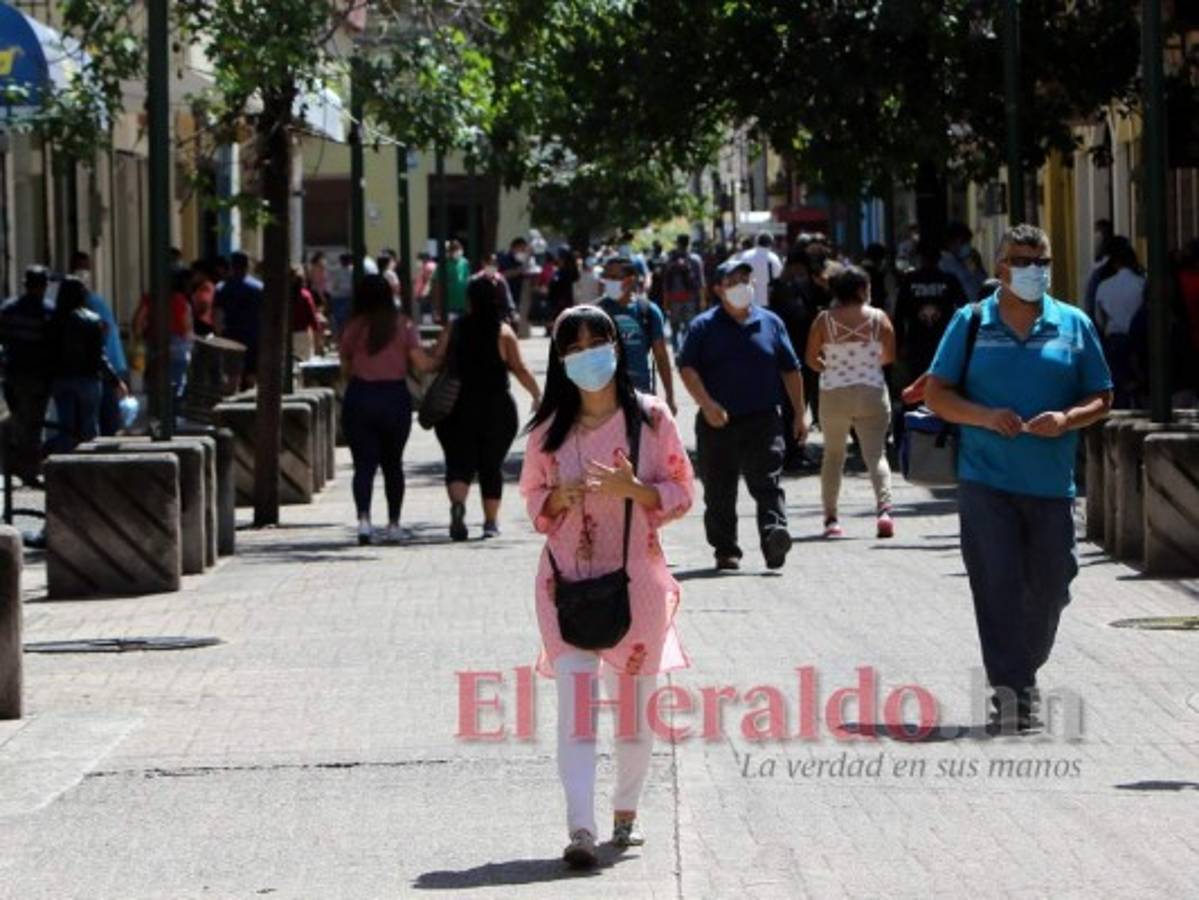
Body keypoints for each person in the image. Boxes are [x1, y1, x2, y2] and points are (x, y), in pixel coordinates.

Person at [518, 304, 694, 869]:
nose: (587, 354)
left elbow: (683, 491)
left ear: (618, 348)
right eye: (574, 346)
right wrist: (558, 499)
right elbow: (533, 506)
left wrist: (636, 489)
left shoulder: (651, 419)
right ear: (559, 359)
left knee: (634, 715)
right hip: (564, 586)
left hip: (636, 584)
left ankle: (624, 814)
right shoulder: (547, 433)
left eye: (598, 340)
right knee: (575, 713)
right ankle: (580, 828)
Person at [925, 224, 1113, 730]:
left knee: (1054, 582)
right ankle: (1014, 693)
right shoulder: (970, 322)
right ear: (1000, 268)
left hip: (1051, 483)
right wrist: (984, 417)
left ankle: (1021, 667)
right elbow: (936, 394)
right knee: (997, 585)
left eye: (1041, 260)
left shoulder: (1073, 324)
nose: (1034, 270)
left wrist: (1068, 419)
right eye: (1022, 260)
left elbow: (1102, 395)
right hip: (985, 481)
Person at [677, 259, 807, 571]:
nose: (742, 286)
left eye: (746, 279)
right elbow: (687, 368)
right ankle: (726, 549)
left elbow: (791, 370)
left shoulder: (771, 322)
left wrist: (800, 414)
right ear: (718, 289)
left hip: (764, 418)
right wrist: (706, 404)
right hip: (717, 421)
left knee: (768, 482)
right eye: (733, 281)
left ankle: (774, 536)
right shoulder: (703, 326)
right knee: (720, 488)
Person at [435, 276, 541, 541]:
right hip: (496, 407)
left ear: (469, 299)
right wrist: (537, 393)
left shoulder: (455, 327)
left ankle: (458, 505)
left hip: (458, 406)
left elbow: (434, 361)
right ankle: (490, 523)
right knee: (491, 465)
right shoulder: (502, 331)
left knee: (458, 461)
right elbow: (519, 368)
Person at [340, 274, 441, 545]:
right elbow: (422, 365)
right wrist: (441, 354)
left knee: (363, 466)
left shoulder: (354, 327)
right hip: (394, 398)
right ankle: (394, 524)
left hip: (360, 397)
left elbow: (345, 368)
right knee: (393, 464)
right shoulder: (403, 325)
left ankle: (363, 521)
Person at [804, 265, 897, 538]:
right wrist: (866, 363)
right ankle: (884, 510)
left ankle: (832, 520)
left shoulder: (824, 320)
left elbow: (810, 359)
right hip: (871, 391)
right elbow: (889, 355)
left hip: (834, 393)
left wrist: (829, 366)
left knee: (833, 456)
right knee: (876, 454)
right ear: (861, 289)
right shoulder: (879, 318)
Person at [46, 277, 124, 453]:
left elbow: (48, 353)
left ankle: (65, 466)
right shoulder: (92, 320)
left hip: (61, 380)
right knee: (89, 427)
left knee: (66, 427)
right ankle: (87, 466)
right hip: (87, 381)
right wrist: (115, 380)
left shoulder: (52, 321)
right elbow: (99, 357)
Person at [597, 258, 676, 413]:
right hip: (603, 397)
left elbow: (660, 355)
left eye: (614, 277)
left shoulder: (648, 311)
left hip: (641, 394)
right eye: (606, 277)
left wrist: (670, 396)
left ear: (629, 280)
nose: (608, 281)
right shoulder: (596, 311)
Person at [0, 266, 53, 483]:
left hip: (15, 375)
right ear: (45, 285)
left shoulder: (10, 309)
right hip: (38, 376)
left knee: (21, 420)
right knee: (35, 424)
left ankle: (18, 464)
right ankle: (28, 469)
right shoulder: (49, 311)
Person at [70, 252, 131, 436]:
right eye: (80, 268)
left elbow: (100, 340)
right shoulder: (92, 302)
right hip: (105, 367)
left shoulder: (91, 303)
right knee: (105, 419)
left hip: (104, 368)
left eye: (86, 268)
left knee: (104, 418)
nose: (84, 272)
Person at [1092, 237, 1146, 409]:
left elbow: (1099, 318)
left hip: (1115, 340)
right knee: (1141, 388)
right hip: (1140, 341)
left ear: (1115, 263)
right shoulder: (1142, 283)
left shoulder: (1104, 286)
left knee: (1117, 390)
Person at [133, 267, 194, 396]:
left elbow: (138, 321)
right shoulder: (181, 300)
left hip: (154, 342)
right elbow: (187, 328)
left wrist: (139, 339)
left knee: (154, 382)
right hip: (178, 344)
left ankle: (156, 409)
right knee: (176, 383)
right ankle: (174, 410)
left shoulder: (150, 298)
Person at [214, 251, 263, 386]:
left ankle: (233, 400)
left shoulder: (221, 288)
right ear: (247, 266)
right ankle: (251, 400)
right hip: (253, 336)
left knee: (232, 374)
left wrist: (218, 336)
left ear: (231, 266)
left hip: (230, 336)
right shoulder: (258, 288)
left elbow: (218, 315)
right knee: (251, 374)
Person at [661, 234, 706, 353]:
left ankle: (676, 351)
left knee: (674, 329)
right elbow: (701, 283)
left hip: (674, 300)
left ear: (678, 244)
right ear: (688, 243)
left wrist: (665, 303)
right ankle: (687, 351)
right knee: (689, 327)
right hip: (691, 299)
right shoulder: (695, 259)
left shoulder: (670, 260)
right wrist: (702, 301)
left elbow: (666, 285)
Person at [736, 232, 784, 307]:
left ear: (756, 242)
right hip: (767, 301)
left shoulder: (745, 256)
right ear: (771, 243)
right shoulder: (774, 258)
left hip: (748, 301)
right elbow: (779, 277)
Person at [940, 222, 984, 303]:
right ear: (952, 242)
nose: (967, 245)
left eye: (968, 242)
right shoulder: (944, 262)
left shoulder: (970, 258)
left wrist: (977, 266)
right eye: (963, 242)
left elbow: (981, 282)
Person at [290, 265, 323, 362]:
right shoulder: (305, 296)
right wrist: (318, 341)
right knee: (303, 364)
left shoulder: (283, 296)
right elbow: (312, 318)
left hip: (285, 334)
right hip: (302, 335)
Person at [435, 239, 471, 322]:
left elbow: (469, 281)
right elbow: (437, 284)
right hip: (448, 304)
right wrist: (437, 304)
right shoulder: (443, 264)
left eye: (458, 249)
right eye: (454, 250)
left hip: (463, 304)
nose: (457, 252)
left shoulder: (465, 263)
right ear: (450, 252)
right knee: (450, 327)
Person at [547, 247, 579, 321]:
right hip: (559, 300)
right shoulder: (561, 270)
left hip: (562, 300)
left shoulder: (567, 271)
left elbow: (562, 285)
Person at [328, 252, 355, 336]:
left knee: (339, 319)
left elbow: (334, 285)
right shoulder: (353, 270)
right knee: (347, 318)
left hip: (338, 297)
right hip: (348, 296)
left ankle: (341, 334)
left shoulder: (336, 271)